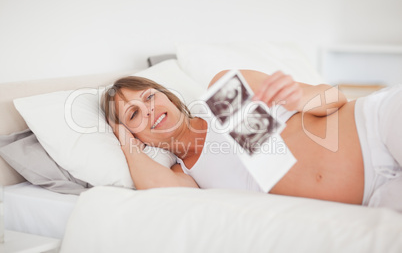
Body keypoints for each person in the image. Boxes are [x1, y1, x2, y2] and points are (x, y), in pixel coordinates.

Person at [102, 70, 402, 211]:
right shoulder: (186, 176)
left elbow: (333, 97)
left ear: (167, 95)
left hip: (375, 125)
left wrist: (299, 96)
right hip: (374, 197)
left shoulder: (223, 93)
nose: (150, 109)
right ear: (134, 135)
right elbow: (157, 190)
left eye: (150, 96)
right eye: (134, 114)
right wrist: (125, 141)